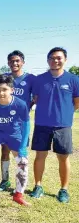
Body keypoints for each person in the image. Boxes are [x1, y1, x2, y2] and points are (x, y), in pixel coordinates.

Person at [30, 47, 79, 203]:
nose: (55, 60)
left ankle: (63, 190)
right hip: (42, 124)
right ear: (47, 60)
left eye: (58, 58)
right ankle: (38, 186)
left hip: (63, 125)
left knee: (63, 158)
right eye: (52, 58)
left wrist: (64, 113)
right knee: (40, 156)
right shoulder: (39, 79)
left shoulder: (73, 79)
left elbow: (76, 102)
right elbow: (35, 98)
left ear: (65, 59)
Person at [0, 74, 31, 206]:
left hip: (13, 133)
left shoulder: (20, 104)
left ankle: (18, 195)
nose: (1, 93)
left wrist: (22, 147)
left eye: (4, 89)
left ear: (12, 90)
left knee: (23, 161)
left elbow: (26, 125)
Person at [0, 50, 36, 192]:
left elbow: (36, 97)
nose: (15, 63)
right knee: (5, 151)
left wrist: (27, 107)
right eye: (12, 61)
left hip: (21, 123)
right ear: (8, 63)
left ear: (23, 62)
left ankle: (20, 183)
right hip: (5, 122)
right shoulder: (5, 78)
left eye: (17, 61)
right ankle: (5, 180)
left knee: (21, 153)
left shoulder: (30, 78)